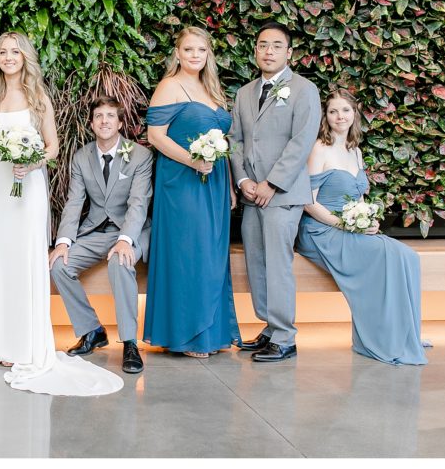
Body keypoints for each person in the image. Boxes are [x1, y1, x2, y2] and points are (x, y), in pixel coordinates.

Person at [0, 31, 122, 396]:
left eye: (15, 52)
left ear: (25, 57)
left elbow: (53, 147)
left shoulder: (38, 96)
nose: (9, 57)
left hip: (29, 189)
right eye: (3, 52)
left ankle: (25, 344)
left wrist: (31, 161)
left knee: (25, 260)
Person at [297, 89, 428, 365]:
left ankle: (405, 332)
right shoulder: (319, 148)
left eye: (345, 110)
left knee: (408, 256)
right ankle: (381, 337)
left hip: (350, 228)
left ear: (354, 114)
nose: (339, 116)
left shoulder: (354, 150)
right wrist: (346, 225)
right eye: (333, 111)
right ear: (326, 116)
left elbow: (360, 197)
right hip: (322, 230)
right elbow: (308, 203)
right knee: (386, 253)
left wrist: (368, 218)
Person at [143, 27, 240, 357]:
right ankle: (188, 334)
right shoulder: (170, 86)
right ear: (178, 53)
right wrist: (192, 161)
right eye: (188, 49)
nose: (195, 55)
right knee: (190, 253)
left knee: (212, 255)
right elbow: (155, 136)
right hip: (182, 182)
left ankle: (212, 333)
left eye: (201, 49)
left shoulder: (212, 89)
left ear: (208, 53)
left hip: (213, 182)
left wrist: (227, 184)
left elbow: (223, 143)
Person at [230, 22, 320, 362]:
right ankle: (270, 327)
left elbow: (301, 142)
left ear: (289, 52)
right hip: (253, 194)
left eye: (276, 45)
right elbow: (235, 140)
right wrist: (243, 182)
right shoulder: (244, 93)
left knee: (278, 264)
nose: (269, 51)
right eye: (263, 45)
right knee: (257, 262)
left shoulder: (304, 89)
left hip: (282, 195)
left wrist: (272, 183)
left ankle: (285, 336)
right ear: (255, 50)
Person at [49, 95, 152, 374]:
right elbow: (74, 202)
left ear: (120, 122)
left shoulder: (140, 155)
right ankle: (92, 330)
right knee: (59, 265)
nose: (104, 121)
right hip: (96, 230)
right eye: (99, 116)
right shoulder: (82, 157)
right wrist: (63, 242)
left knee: (120, 261)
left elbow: (138, 203)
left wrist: (124, 239)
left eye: (110, 116)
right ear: (92, 123)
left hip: (130, 231)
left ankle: (130, 343)